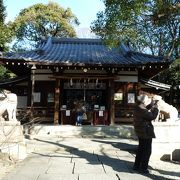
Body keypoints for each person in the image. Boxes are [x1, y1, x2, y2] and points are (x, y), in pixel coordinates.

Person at [133, 94, 159, 174]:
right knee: (147, 151)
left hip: (141, 131)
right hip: (145, 131)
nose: (149, 100)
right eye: (147, 99)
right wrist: (156, 108)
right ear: (144, 101)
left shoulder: (138, 106)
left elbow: (146, 110)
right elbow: (152, 116)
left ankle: (136, 166)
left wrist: (152, 104)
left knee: (141, 149)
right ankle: (144, 168)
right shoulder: (141, 109)